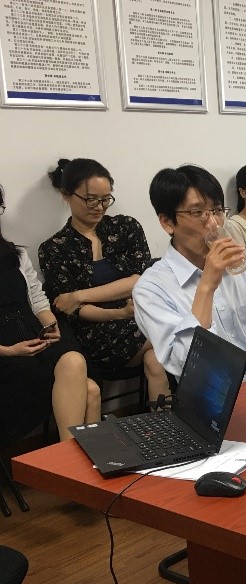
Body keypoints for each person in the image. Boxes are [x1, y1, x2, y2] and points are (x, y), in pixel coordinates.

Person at [133, 165, 246, 381]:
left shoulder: (243, 266)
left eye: (218, 211)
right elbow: (185, 363)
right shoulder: (151, 288)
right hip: (211, 396)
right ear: (167, 222)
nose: (213, 224)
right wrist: (206, 286)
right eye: (197, 213)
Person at [39, 157, 169, 404]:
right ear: (66, 195)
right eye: (91, 200)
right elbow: (73, 311)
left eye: (105, 199)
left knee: (157, 359)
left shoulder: (126, 227)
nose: (99, 207)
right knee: (176, 337)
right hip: (97, 331)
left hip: (140, 316)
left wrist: (80, 295)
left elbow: (140, 279)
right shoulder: (55, 248)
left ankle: (161, 422)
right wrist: (120, 313)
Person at [0, 184, 100, 442]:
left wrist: (49, 322)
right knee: (89, 390)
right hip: (6, 350)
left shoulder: (15, 254)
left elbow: (36, 298)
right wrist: (9, 351)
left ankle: (68, 460)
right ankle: (73, 461)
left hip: (33, 335)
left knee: (74, 360)